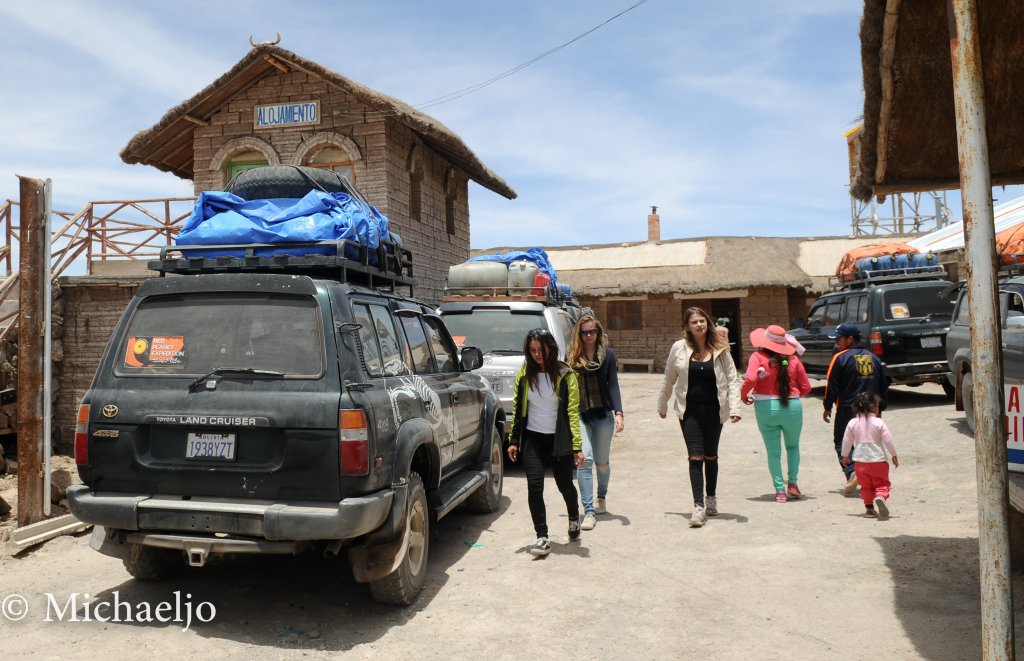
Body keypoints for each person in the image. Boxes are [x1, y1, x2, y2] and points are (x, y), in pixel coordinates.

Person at [657, 306, 742, 528]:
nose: (699, 325)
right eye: (694, 322)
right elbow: (669, 377)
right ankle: (698, 506)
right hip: (689, 412)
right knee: (695, 456)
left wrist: (735, 408)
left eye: (702, 321)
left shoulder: (720, 348)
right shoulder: (679, 348)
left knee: (711, 456)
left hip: (715, 410)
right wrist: (662, 403)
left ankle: (711, 498)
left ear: (708, 323)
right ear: (687, 326)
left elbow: (733, 379)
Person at [507, 328, 586, 557]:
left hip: (558, 440)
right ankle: (542, 537)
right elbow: (518, 406)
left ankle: (573, 516)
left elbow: (572, 411)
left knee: (565, 485)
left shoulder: (565, 374)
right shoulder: (524, 373)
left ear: (551, 348)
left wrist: (577, 446)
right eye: (532, 350)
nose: (537, 355)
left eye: (541, 350)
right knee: (534, 486)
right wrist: (514, 440)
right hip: (533, 438)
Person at [741, 325, 812, 502]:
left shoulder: (757, 356)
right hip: (792, 407)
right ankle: (793, 484)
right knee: (793, 446)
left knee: (773, 453)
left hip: (766, 408)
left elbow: (750, 379)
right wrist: (794, 397)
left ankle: (780, 491)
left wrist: (743, 395)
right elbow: (806, 387)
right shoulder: (793, 360)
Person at [567, 314, 624, 530]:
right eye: (585, 332)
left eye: (593, 331)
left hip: (603, 414)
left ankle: (602, 496)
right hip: (580, 413)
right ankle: (589, 511)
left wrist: (619, 412)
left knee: (602, 462)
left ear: (599, 333)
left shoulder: (608, 356)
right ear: (579, 335)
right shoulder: (572, 357)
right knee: (585, 460)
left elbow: (613, 386)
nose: (589, 335)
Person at [822, 322, 888, 494]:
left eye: (839, 339)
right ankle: (871, 479)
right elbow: (883, 385)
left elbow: (832, 386)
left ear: (850, 339)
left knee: (842, 443)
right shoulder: (873, 358)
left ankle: (852, 472)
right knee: (869, 443)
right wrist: (881, 408)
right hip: (872, 409)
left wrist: (827, 406)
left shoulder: (840, 358)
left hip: (847, 409)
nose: (837, 342)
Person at [841, 391, 899, 519]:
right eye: (878, 405)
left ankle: (869, 509)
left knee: (866, 486)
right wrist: (894, 455)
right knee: (882, 483)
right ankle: (880, 496)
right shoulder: (879, 423)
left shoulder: (852, 422)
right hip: (878, 461)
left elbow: (846, 440)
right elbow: (888, 440)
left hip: (860, 462)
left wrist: (845, 456)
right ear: (873, 407)